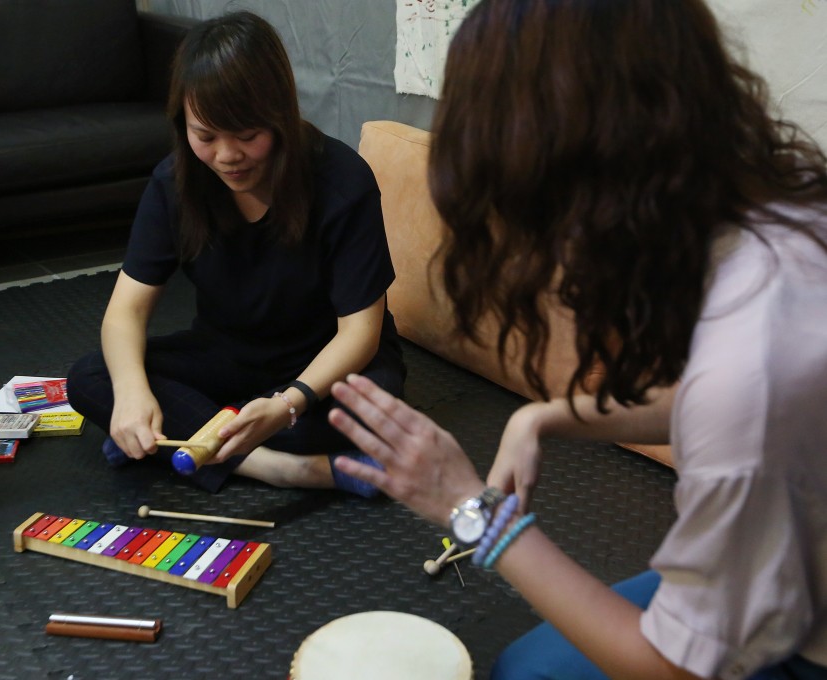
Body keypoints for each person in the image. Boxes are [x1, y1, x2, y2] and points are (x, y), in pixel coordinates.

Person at [328, 1, 827, 678]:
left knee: (521, 672)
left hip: (803, 643)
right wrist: (549, 417)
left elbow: (665, 668)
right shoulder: (787, 213)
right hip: (788, 570)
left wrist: (469, 511)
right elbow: (731, 407)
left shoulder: (752, 367)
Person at [67, 11, 405, 496]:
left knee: (377, 411)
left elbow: (361, 333)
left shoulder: (342, 180)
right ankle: (288, 469)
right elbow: (125, 312)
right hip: (228, 359)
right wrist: (131, 393)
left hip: (325, 364)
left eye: (247, 135)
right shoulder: (174, 183)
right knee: (94, 377)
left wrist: (289, 403)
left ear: (280, 115)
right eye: (205, 136)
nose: (227, 156)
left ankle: (183, 443)